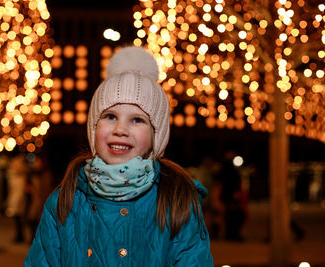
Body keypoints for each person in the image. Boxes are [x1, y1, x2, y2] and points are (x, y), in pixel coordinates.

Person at [25, 46, 214, 266]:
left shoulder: (178, 202)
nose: (120, 130)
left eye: (137, 120)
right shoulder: (64, 202)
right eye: (110, 116)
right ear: (94, 128)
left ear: (156, 136)